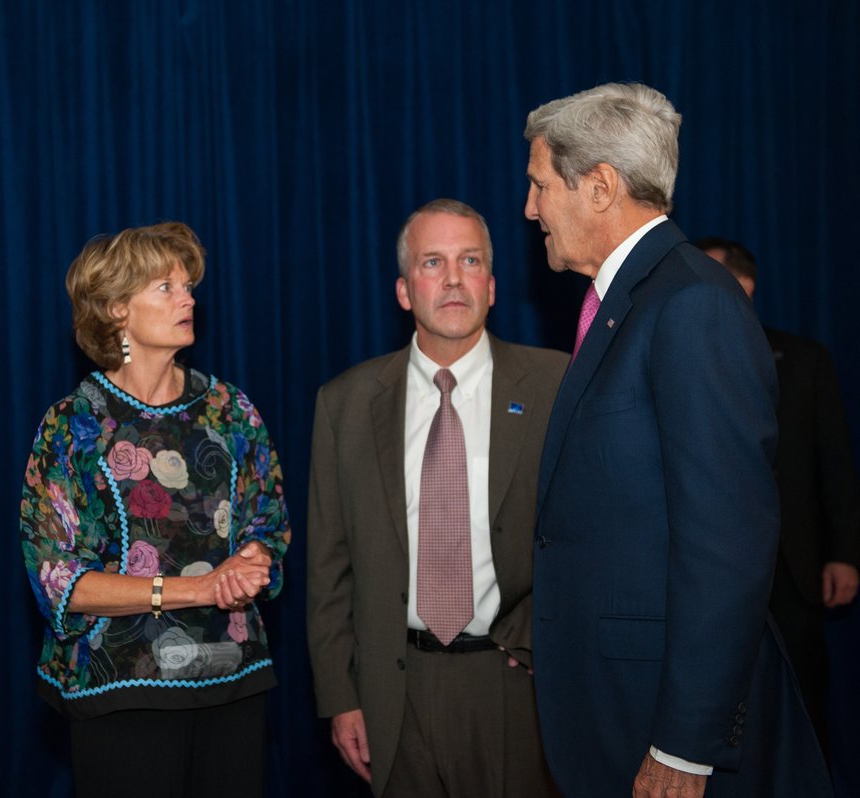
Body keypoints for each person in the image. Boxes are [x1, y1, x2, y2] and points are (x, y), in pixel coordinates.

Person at [523, 82, 830, 796]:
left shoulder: (691, 304)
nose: (531, 208)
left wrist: (686, 746)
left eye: (539, 185)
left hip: (665, 725)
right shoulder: (631, 301)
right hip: (619, 702)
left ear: (600, 186)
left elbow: (728, 543)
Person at [19, 221, 291, 798]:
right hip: (122, 690)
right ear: (117, 309)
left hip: (232, 680)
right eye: (165, 287)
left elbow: (267, 516)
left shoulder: (229, 408)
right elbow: (58, 579)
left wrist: (254, 558)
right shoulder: (75, 424)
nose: (188, 297)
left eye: (188, 285)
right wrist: (195, 589)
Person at [306, 198, 566, 797]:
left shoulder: (556, 386)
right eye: (432, 262)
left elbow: (591, 538)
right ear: (403, 291)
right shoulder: (345, 403)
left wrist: (539, 641)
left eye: (469, 260)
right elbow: (328, 567)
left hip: (515, 686)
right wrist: (341, 697)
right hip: (394, 690)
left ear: (493, 286)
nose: (453, 278)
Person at [697, 236, 860, 747]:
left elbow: (834, 462)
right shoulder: (681, 357)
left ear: (743, 286)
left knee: (803, 707)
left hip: (792, 566)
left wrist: (845, 555)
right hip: (709, 566)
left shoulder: (805, 359)